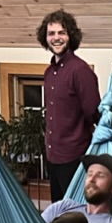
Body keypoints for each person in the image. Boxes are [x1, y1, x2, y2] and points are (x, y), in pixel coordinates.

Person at [37, 10, 100, 202]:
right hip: (52, 156)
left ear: (70, 36)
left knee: (75, 212)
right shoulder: (48, 73)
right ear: (45, 38)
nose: (56, 38)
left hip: (74, 158)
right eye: (51, 33)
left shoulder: (80, 71)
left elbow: (93, 113)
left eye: (61, 33)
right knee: (58, 210)